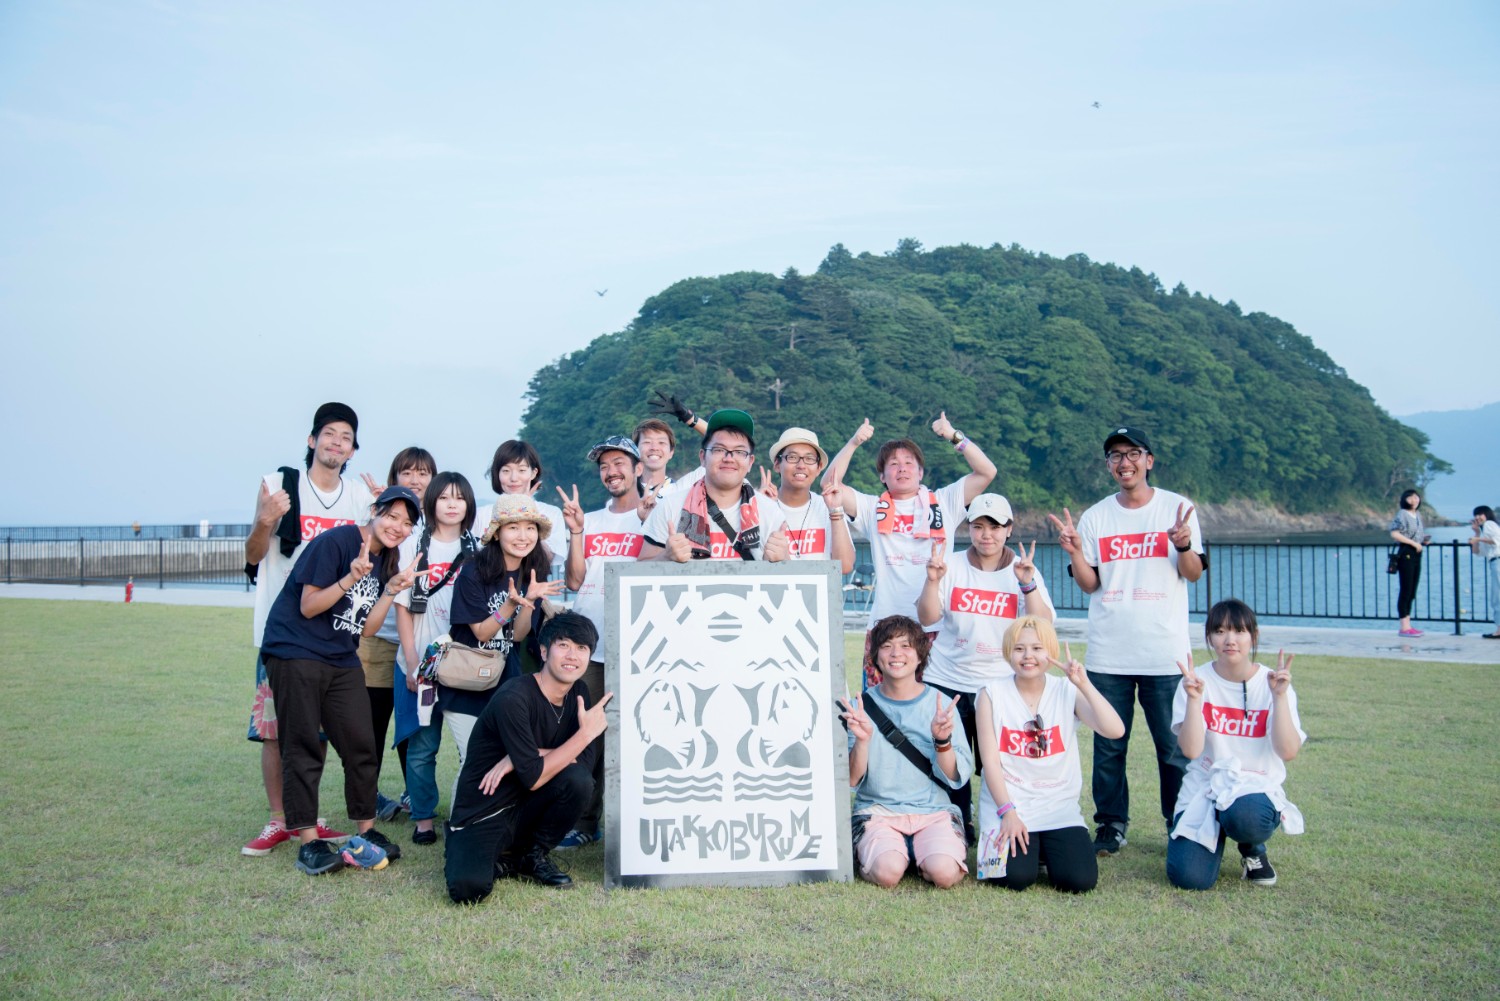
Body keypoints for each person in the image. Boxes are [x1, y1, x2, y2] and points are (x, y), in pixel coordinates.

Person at [1049, 425, 1205, 857]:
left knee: (1173, 748)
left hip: (1165, 654)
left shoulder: (1178, 510)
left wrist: (1185, 544)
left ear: (1149, 460)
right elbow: (1089, 584)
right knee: (1108, 747)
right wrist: (1076, 552)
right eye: (1115, 455)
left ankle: (1182, 822)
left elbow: (1192, 572)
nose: (1124, 462)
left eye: (1133, 453)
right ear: (1108, 465)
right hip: (1108, 651)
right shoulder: (1097, 516)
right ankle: (1111, 825)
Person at [258, 485, 423, 875]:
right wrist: (350, 578)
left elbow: (366, 629)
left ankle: (366, 830)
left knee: (361, 742)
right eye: (392, 516)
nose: (398, 526)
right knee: (303, 745)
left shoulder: (386, 559)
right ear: (375, 511)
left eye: (407, 522)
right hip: (294, 651)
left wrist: (389, 590)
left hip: (340, 655)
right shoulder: (336, 542)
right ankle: (309, 842)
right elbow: (309, 605)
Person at [241, 401, 374, 856]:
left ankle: (309, 818)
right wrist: (264, 519)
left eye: (346, 438)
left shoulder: (357, 495)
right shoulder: (280, 485)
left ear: (353, 450)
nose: (337, 443)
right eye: (330, 434)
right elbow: (255, 555)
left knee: (319, 729)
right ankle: (279, 819)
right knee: (276, 729)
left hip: (331, 633)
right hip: (282, 631)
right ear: (312, 439)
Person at [444, 612, 613, 901]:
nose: (573, 655)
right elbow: (534, 776)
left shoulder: (580, 694)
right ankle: (477, 848)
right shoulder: (515, 696)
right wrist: (585, 735)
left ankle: (531, 855)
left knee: (579, 781)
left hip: (527, 808)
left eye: (582, 648)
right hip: (486, 810)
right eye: (564, 645)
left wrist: (525, 756)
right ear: (544, 651)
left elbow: (583, 765)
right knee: (468, 890)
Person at [917, 493, 1055, 839]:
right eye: (978, 527)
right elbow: (927, 618)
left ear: (1009, 530)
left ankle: (1007, 821)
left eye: (994, 527)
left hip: (1000, 684)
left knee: (1005, 760)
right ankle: (957, 822)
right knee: (950, 758)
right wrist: (933, 580)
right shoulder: (951, 564)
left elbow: (1044, 625)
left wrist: (1027, 583)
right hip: (949, 678)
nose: (986, 535)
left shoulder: (1023, 569)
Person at [822, 413, 997, 687]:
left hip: (936, 627)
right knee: (878, 707)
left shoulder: (944, 502)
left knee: (934, 713)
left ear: (921, 472)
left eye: (908, 463)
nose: (901, 468)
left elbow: (987, 472)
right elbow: (829, 484)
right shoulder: (872, 508)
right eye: (893, 464)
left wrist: (954, 436)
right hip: (884, 624)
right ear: (882, 475)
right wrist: (855, 442)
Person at [974, 617, 1124, 892]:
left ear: (1050, 652)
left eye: (1037, 648)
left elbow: (1114, 730)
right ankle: (1034, 849)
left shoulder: (1066, 690)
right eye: (1019, 649)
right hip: (1009, 804)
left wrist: (1084, 684)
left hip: (1056, 805)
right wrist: (1007, 813)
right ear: (1008, 652)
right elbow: (991, 763)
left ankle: (1043, 846)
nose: (1028, 656)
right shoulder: (990, 693)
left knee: (1079, 881)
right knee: (1014, 878)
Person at [1166, 599, 1305, 889]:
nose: (1230, 640)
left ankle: (1253, 850)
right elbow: (1190, 751)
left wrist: (1278, 697)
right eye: (1220, 631)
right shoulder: (1196, 681)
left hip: (1253, 789)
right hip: (1205, 786)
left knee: (1247, 816)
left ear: (1253, 636)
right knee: (1189, 879)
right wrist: (1194, 700)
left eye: (1239, 631)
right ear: (1210, 638)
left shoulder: (1273, 683)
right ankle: (1213, 833)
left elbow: (1288, 751)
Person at [554, 434, 648, 847]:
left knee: (635, 736)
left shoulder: (654, 516)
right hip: (589, 649)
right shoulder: (588, 520)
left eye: (619, 463)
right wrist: (576, 533)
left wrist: (651, 521)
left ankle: (631, 826)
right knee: (583, 737)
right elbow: (575, 581)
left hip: (638, 648)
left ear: (638, 468)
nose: (611, 471)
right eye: (604, 466)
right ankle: (583, 823)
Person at [836, 615, 971, 889]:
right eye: (886, 645)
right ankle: (896, 854)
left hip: (933, 811)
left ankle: (923, 854)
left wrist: (942, 740)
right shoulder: (859, 707)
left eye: (906, 645)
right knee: (888, 873)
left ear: (920, 655)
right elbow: (851, 780)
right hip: (878, 811)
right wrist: (863, 740)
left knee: (944, 873)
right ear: (875, 655)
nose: (896, 653)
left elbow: (955, 777)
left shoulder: (941, 705)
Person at [440, 494, 563, 791]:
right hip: (466, 682)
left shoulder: (530, 571)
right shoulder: (473, 569)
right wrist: (509, 605)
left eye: (530, 527)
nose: (523, 536)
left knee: (497, 758)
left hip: (504, 678)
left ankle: (485, 826)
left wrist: (529, 601)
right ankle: (460, 828)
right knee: (474, 759)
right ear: (497, 532)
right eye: (513, 527)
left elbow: (518, 635)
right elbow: (482, 633)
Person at [392, 471, 480, 846]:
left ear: (468, 505)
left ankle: (466, 813)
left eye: (459, 498)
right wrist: (413, 663)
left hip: (461, 664)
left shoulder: (479, 550)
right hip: (418, 662)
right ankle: (424, 818)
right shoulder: (412, 544)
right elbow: (402, 608)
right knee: (422, 746)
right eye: (443, 497)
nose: (451, 504)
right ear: (431, 503)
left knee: (471, 745)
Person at [360, 446, 437, 823]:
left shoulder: (438, 522)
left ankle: (413, 793)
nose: (415, 480)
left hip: (419, 641)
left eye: (423, 473)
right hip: (377, 637)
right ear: (395, 478)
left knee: (412, 727)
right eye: (407, 473)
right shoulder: (380, 521)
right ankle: (367, 796)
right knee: (372, 723)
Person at [640, 409, 789, 562]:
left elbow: (792, 578)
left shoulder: (770, 512)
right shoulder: (670, 507)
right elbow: (639, 571)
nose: (729, 458)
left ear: (750, 462)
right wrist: (666, 557)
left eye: (739, 451)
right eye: (719, 449)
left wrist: (782, 561)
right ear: (703, 457)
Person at [764, 427, 855, 573]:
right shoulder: (764, 507)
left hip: (821, 595)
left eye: (809, 459)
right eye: (792, 457)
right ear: (777, 465)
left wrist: (835, 511)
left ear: (818, 468)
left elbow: (844, 566)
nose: (801, 465)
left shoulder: (828, 507)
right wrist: (764, 511)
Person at [488, 439, 568, 562]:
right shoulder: (481, 514)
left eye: (522, 470)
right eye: (506, 471)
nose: (514, 478)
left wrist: (524, 507)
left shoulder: (551, 513)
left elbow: (549, 559)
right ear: (497, 474)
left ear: (533, 473)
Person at [1388, 489, 1429, 638]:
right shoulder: (1403, 513)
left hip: (1416, 552)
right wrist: (1414, 543)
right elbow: (1395, 533)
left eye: (1416, 497)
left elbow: (1414, 533)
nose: (1414, 500)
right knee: (1406, 589)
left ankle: (1408, 624)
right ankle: (1404, 626)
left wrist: (1423, 541)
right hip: (1406, 553)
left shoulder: (1417, 514)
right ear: (1405, 499)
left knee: (1412, 589)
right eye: (1410, 497)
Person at [1469, 505, 1500, 639]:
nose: (1477, 517)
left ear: (1487, 514)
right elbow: (1477, 552)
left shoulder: (1489, 524)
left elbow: (1496, 541)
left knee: (1497, 597)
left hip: (1497, 562)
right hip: (1494, 562)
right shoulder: (1484, 529)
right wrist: (1476, 534)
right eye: (1476, 515)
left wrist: (1477, 538)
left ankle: (1499, 630)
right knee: (1496, 597)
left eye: (1480, 514)